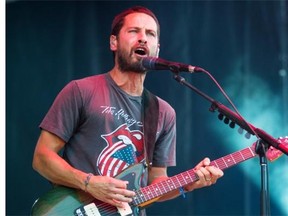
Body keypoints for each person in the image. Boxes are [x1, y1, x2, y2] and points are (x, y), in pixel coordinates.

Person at [32, 5, 224, 215]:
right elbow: (41, 158)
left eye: (150, 34)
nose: (143, 38)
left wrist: (188, 183)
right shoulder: (81, 91)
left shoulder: (163, 112)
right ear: (114, 42)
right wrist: (89, 183)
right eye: (134, 31)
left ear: (157, 49)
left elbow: (156, 182)